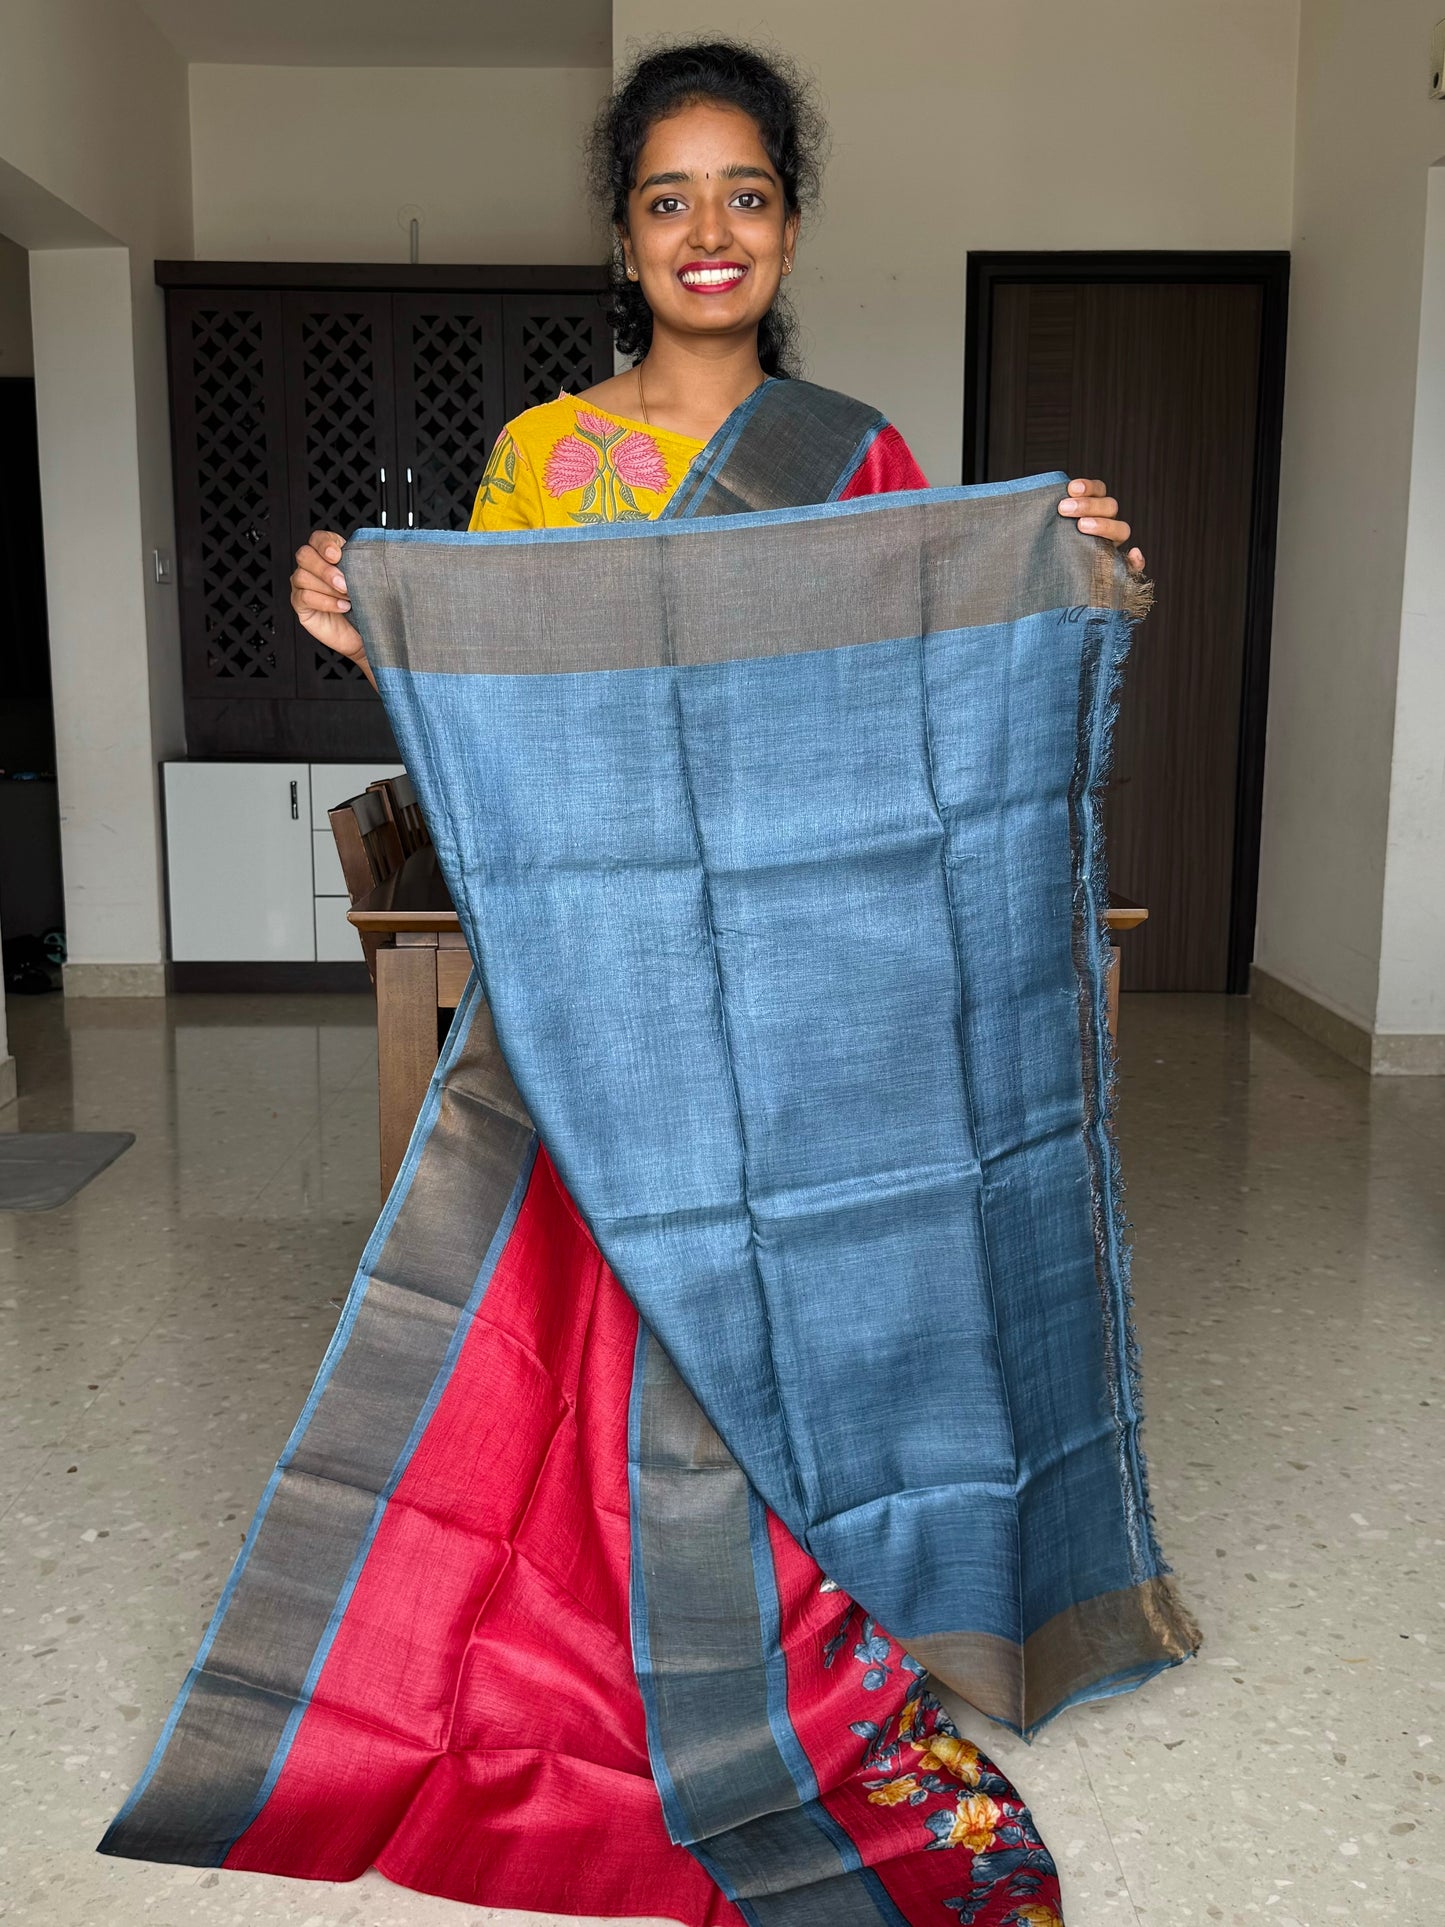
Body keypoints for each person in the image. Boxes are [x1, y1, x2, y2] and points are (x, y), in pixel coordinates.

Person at [108, 40, 1166, 1927]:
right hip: (597, 981)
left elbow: (916, 717)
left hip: (802, 990)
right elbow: (499, 741)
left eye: (743, 194)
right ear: (621, 233)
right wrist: (375, 633)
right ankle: (585, 1637)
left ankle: (812, 1620)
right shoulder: (541, 459)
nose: (708, 231)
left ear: (784, 222)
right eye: (668, 197)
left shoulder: (861, 461)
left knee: (794, 1306)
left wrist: (1068, 581)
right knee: (582, 1318)